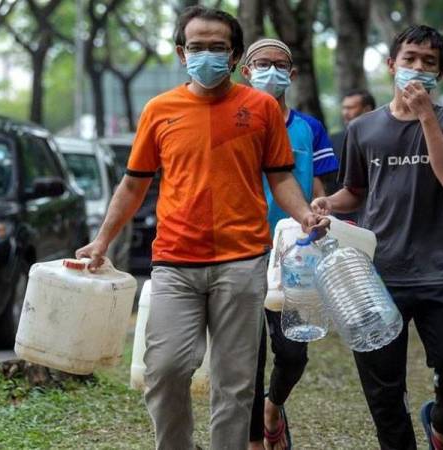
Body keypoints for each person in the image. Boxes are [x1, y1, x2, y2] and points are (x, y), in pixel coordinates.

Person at [75, 6, 328, 450]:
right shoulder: (160, 110)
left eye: (217, 48)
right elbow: (133, 185)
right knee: (166, 369)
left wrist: (305, 214)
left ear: (233, 57)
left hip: (242, 260)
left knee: (235, 382)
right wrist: (102, 240)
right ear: (180, 52)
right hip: (175, 259)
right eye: (196, 47)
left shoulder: (261, 108)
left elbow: (281, 176)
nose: (206, 55)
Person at [312, 25, 443, 450]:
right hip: (376, 276)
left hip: (438, 271)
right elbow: (356, 192)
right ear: (391, 65)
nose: (418, 68)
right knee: (384, 391)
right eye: (410, 59)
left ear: (441, 73)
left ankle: (441, 425)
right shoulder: (363, 129)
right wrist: (327, 204)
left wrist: (425, 116)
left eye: (429, 62)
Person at [240, 38, 339, 450]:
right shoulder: (235, 120)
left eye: (280, 65)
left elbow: (320, 188)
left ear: (292, 75)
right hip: (243, 248)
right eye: (261, 64)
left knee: (293, 352)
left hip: (294, 251)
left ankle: (273, 406)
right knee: (249, 357)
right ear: (245, 71)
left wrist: (322, 216)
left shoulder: (308, 128)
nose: (271, 71)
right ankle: (254, 441)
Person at [326, 89, 376, 209]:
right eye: (344, 108)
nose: (345, 113)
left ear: (367, 109)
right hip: (343, 212)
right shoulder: (333, 141)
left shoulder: (382, 138)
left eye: (351, 108)